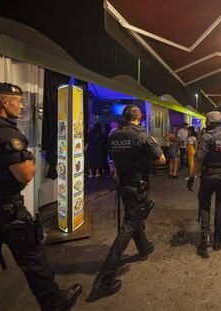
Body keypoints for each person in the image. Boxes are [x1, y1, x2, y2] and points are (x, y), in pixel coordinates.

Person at [0, 83, 82, 310]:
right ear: (4, 102)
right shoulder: (6, 133)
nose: (21, 106)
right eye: (18, 101)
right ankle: (54, 301)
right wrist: (29, 160)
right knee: (34, 260)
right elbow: (26, 174)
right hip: (7, 210)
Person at [86, 105, 166, 302]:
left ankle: (144, 247)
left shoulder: (114, 135)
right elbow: (161, 160)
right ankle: (105, 279)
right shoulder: (142, 135)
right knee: (129, 225)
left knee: (134, 215)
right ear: (139, 118)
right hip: (138, 185)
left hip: (123, 184)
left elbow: (111, 158)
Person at [186, 111, 221, 259]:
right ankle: (218, 240)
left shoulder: (206, 138)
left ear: (209, 123)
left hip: (208, 176)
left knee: (204, 206)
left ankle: (204, 240)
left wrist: (191, 177)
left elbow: (198, 161)